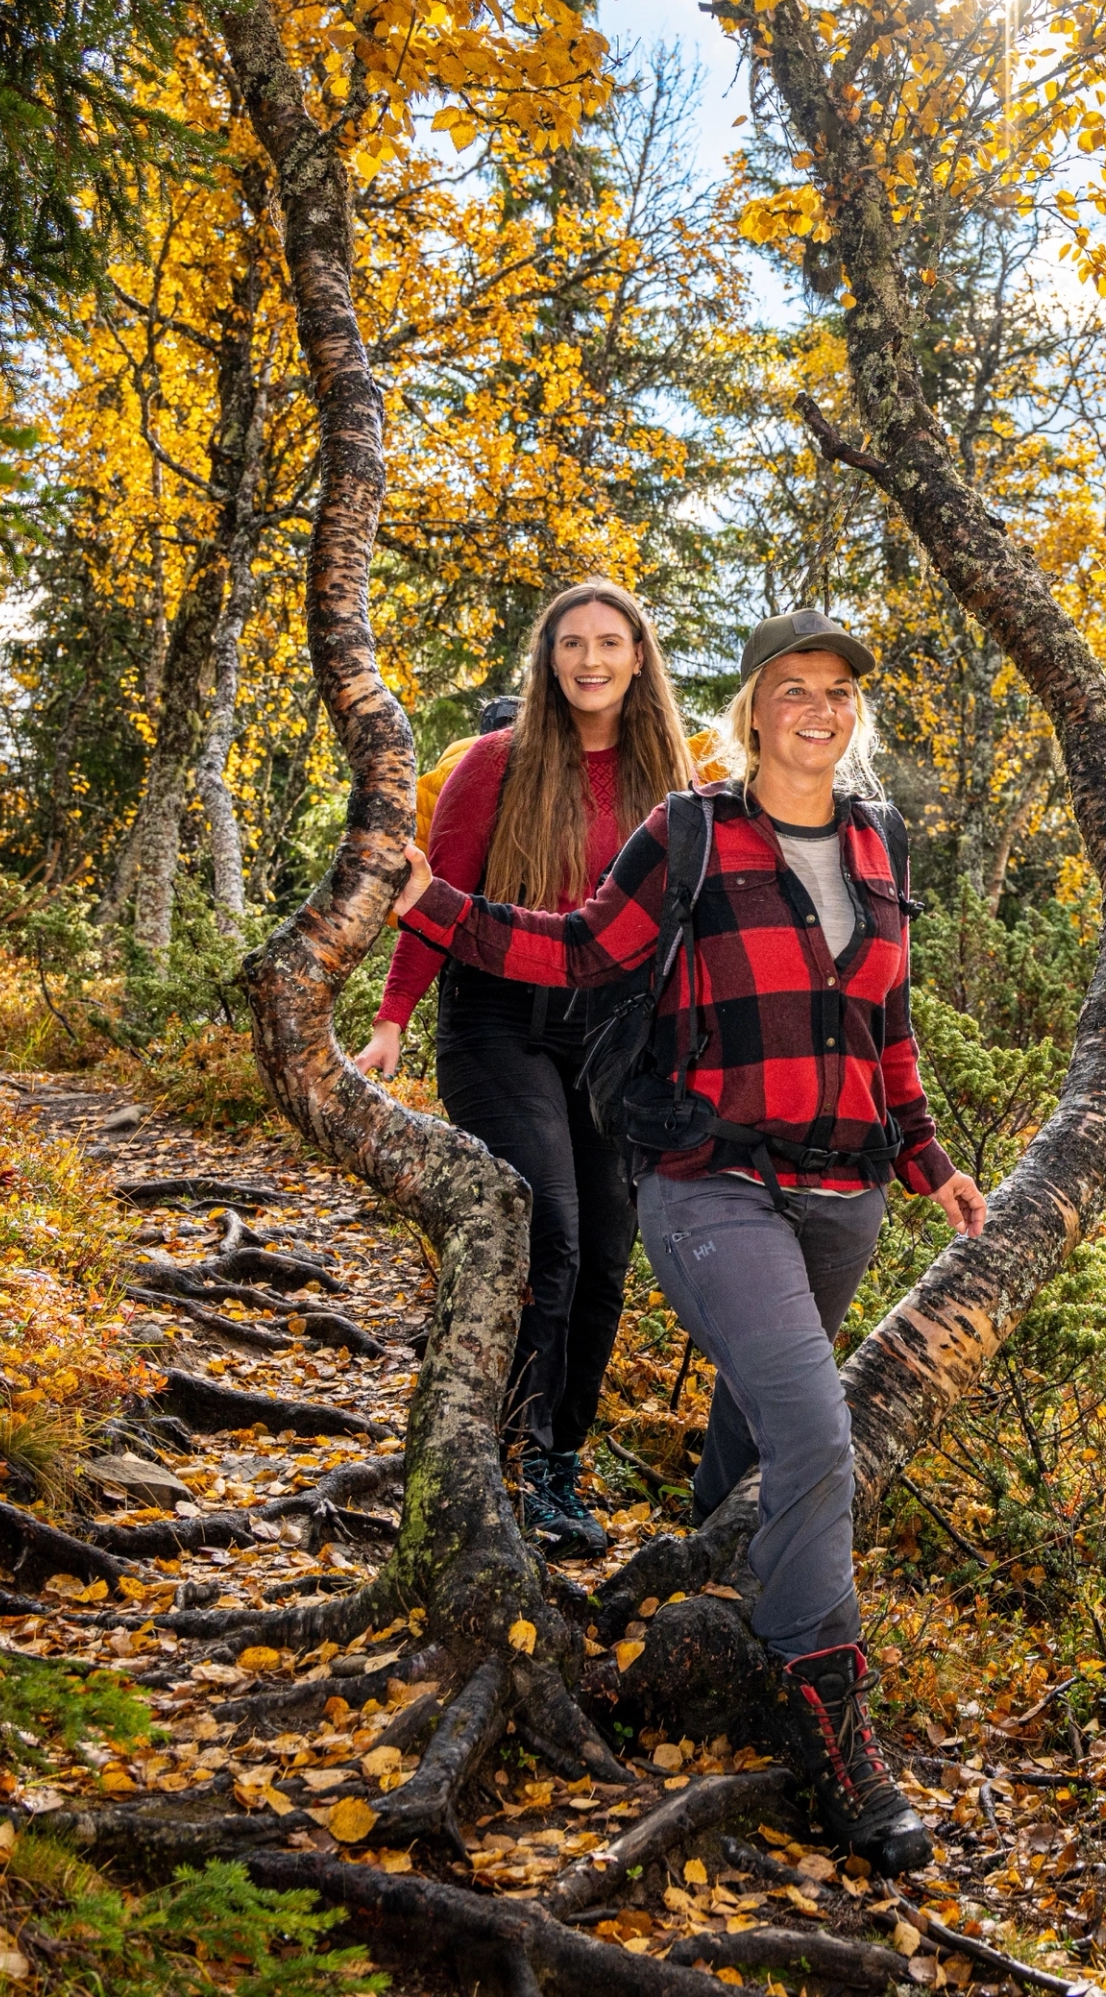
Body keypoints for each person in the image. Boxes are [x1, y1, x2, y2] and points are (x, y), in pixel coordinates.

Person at [389, 607, 985, 1875]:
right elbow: (577, 948)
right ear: (752, 707)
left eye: (837, 693)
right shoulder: (693, 830)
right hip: (708, 1179)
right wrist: (438, 907)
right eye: (792, 690)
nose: (817, 712)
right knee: (816, 1425)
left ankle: (703, 1596)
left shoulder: (877, 845)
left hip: (847, 1190)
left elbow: (890, 1027)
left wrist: (929, 1162)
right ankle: (831, 1718)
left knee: (760, 1424)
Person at [354, 581, 690, 1559]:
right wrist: (392, 1018)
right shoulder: (499, 763)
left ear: (638, 659)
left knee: (606, 1262)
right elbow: (435, 895)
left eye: (609, 643)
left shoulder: (665, 779)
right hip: (498, 1020)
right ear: (549, 661)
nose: (590, 660)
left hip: (610, 1039)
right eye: (571, 644)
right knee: (552, 1229)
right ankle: (506, 1459)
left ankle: (554, 1466)